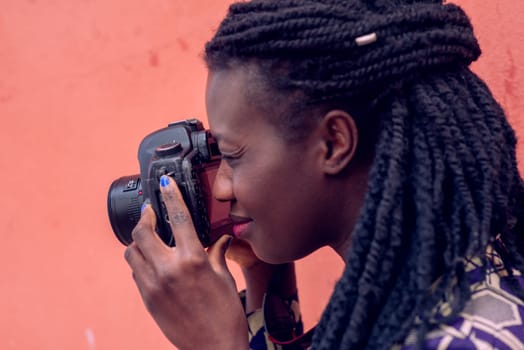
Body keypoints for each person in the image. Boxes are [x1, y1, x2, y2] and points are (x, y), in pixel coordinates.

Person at [123, 0, 524, 349]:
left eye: (233, 155)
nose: (222, 185)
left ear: (333, 143)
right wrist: (265, 274)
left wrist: (215, 345)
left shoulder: (470, 338)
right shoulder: (413, 295)